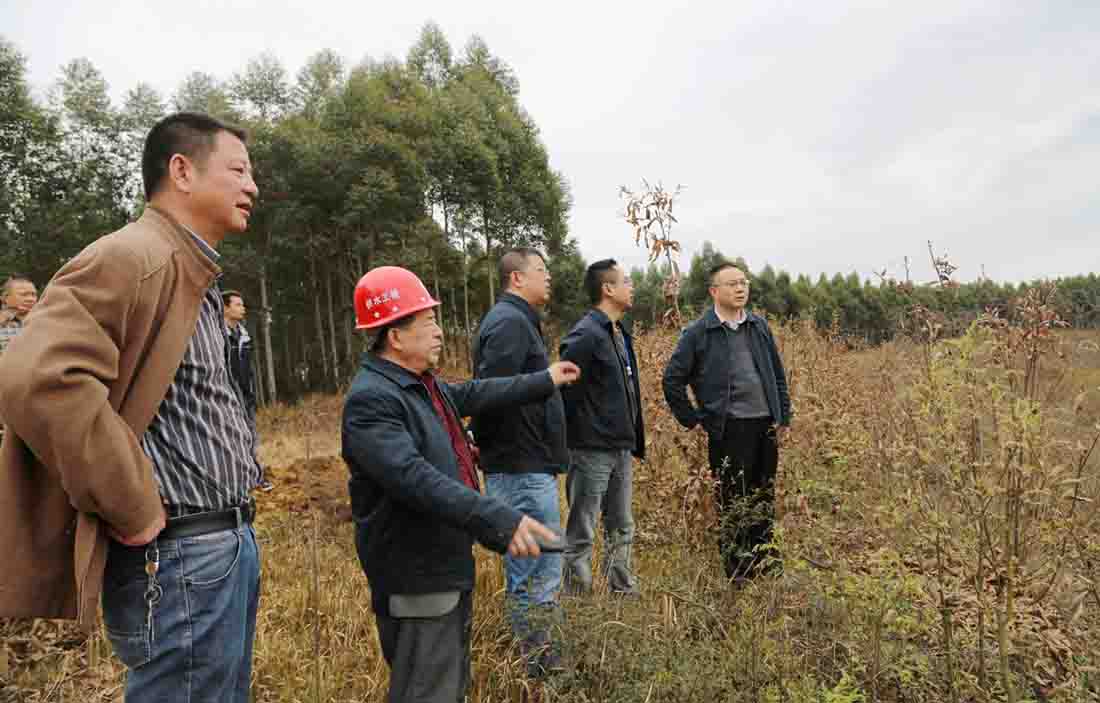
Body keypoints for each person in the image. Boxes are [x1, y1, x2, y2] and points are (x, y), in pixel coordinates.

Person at [0, 112, 263, 702]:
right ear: (182, 172)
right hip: (178, 557)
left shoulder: (192, 272)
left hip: (219, 547)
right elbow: (36, 377)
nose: (252, 186)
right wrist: (132, 504)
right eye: (239, 170)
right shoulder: (132, 257)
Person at [342, 265, 578, 703]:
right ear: (396, 336)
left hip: (443, 566)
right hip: (417, 577)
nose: (439, 332)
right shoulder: (372, 400)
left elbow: (475, 394)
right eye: (429, 321)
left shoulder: (419, 386)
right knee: (427, 690)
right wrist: (497, 518)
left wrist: (544, 379)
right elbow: (414, 478)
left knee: (446, 685)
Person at [470, 248, 568, 674]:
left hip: (526, 464)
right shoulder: (509, 323)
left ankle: (544, 660)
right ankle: (540, 668)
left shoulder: (518, 320)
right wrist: (486, 441)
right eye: (541, 270)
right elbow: (491, 392)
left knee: (542, 566)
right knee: (536, 572)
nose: (549, 277)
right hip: (519, 467)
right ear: (516, 278)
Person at [662, 262, 791, 579]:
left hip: (765, 425)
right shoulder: (698, 332)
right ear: (714, 291)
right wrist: (693, 420)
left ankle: (766, 564)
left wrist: (783, 416)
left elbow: (777, 374)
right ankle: (739, 571)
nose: (740, 288)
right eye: (732, 283)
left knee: (763, 495)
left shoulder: (758, 326)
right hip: (728, 428)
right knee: (733, 498)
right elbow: (672, 380)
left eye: (744, 282)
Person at [559, 259, 645, 596]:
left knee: (621, 526)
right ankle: (578, 600)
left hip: (620, 447)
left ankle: (622, 593)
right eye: (627, 280)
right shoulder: (585, 335)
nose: (632, 286)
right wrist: (580, 435)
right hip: (591, 450)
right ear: (608, 289)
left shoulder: (618, 332)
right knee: (582, 530)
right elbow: (566, 393)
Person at [223, 290, 273, 492]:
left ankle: (256, 478)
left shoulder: (244, 335)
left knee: (250, 437)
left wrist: (251, 392)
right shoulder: (218, 336)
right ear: (225, 308)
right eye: (237, 305)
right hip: (226, 397)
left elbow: (249, 369)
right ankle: (236, 482)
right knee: (231, 440)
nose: (242, 308)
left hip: (245, 396)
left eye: (242, 305)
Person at [0, 274, 37, 442]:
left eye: (33, 294)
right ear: (5, 298)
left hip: (39, 391)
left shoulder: (47, 321)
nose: (30, 298)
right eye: (24, 294)